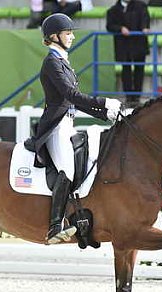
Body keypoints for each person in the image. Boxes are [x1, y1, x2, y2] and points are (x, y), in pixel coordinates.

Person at [24, 13, 122, 244]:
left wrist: (104, 114)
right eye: (68, 33)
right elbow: (70, 95)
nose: (72, 36)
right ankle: (55, 225)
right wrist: (103, 103)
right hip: (55, 127)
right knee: (66, 169)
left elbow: (73, 104)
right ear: (54, 36)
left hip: (68, 124)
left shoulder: (63, 62)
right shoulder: (52, 62)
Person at [106, 0, 150, 108]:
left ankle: (137, 97)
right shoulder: (113, 10)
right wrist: (120, 28)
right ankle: (129, 97)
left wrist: (145, 27)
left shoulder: (141, 6)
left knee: (139, 70)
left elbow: (145, 18)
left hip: (139, 44)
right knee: (126, 71)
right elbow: (110, 26)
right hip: (124, 46)